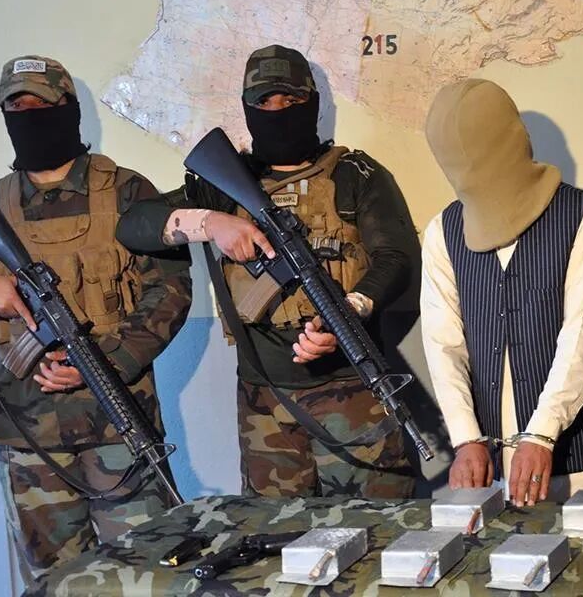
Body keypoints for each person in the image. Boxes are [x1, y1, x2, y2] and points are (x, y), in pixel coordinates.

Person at [116, 45, 418, 499]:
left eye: (291, 100)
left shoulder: (355, 174)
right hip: (264, 403)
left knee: (377, 530)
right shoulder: (222, 184)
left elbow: (396, 258)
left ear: (313, 102)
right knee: (275, 536)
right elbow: (133, 225)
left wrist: (349, 312)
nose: (278, 111)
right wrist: (210, 222)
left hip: (352, 393)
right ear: (247, 108)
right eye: (265, 102)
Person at [0, 56, 192, 584]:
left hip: (118, 422)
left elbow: (171, 290)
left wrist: (108, 361)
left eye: (40, 105)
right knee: (51, 582)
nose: (28, 116)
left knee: (149, 577)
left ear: (68, 108)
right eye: (16, 108)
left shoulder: (127, 191)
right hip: (28, 437)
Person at [421, 78, 583, 507]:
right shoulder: (442, 232)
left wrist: (541, 434)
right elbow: (443, 345)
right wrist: (466, 438)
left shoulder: (581, 214)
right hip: (492, 469)